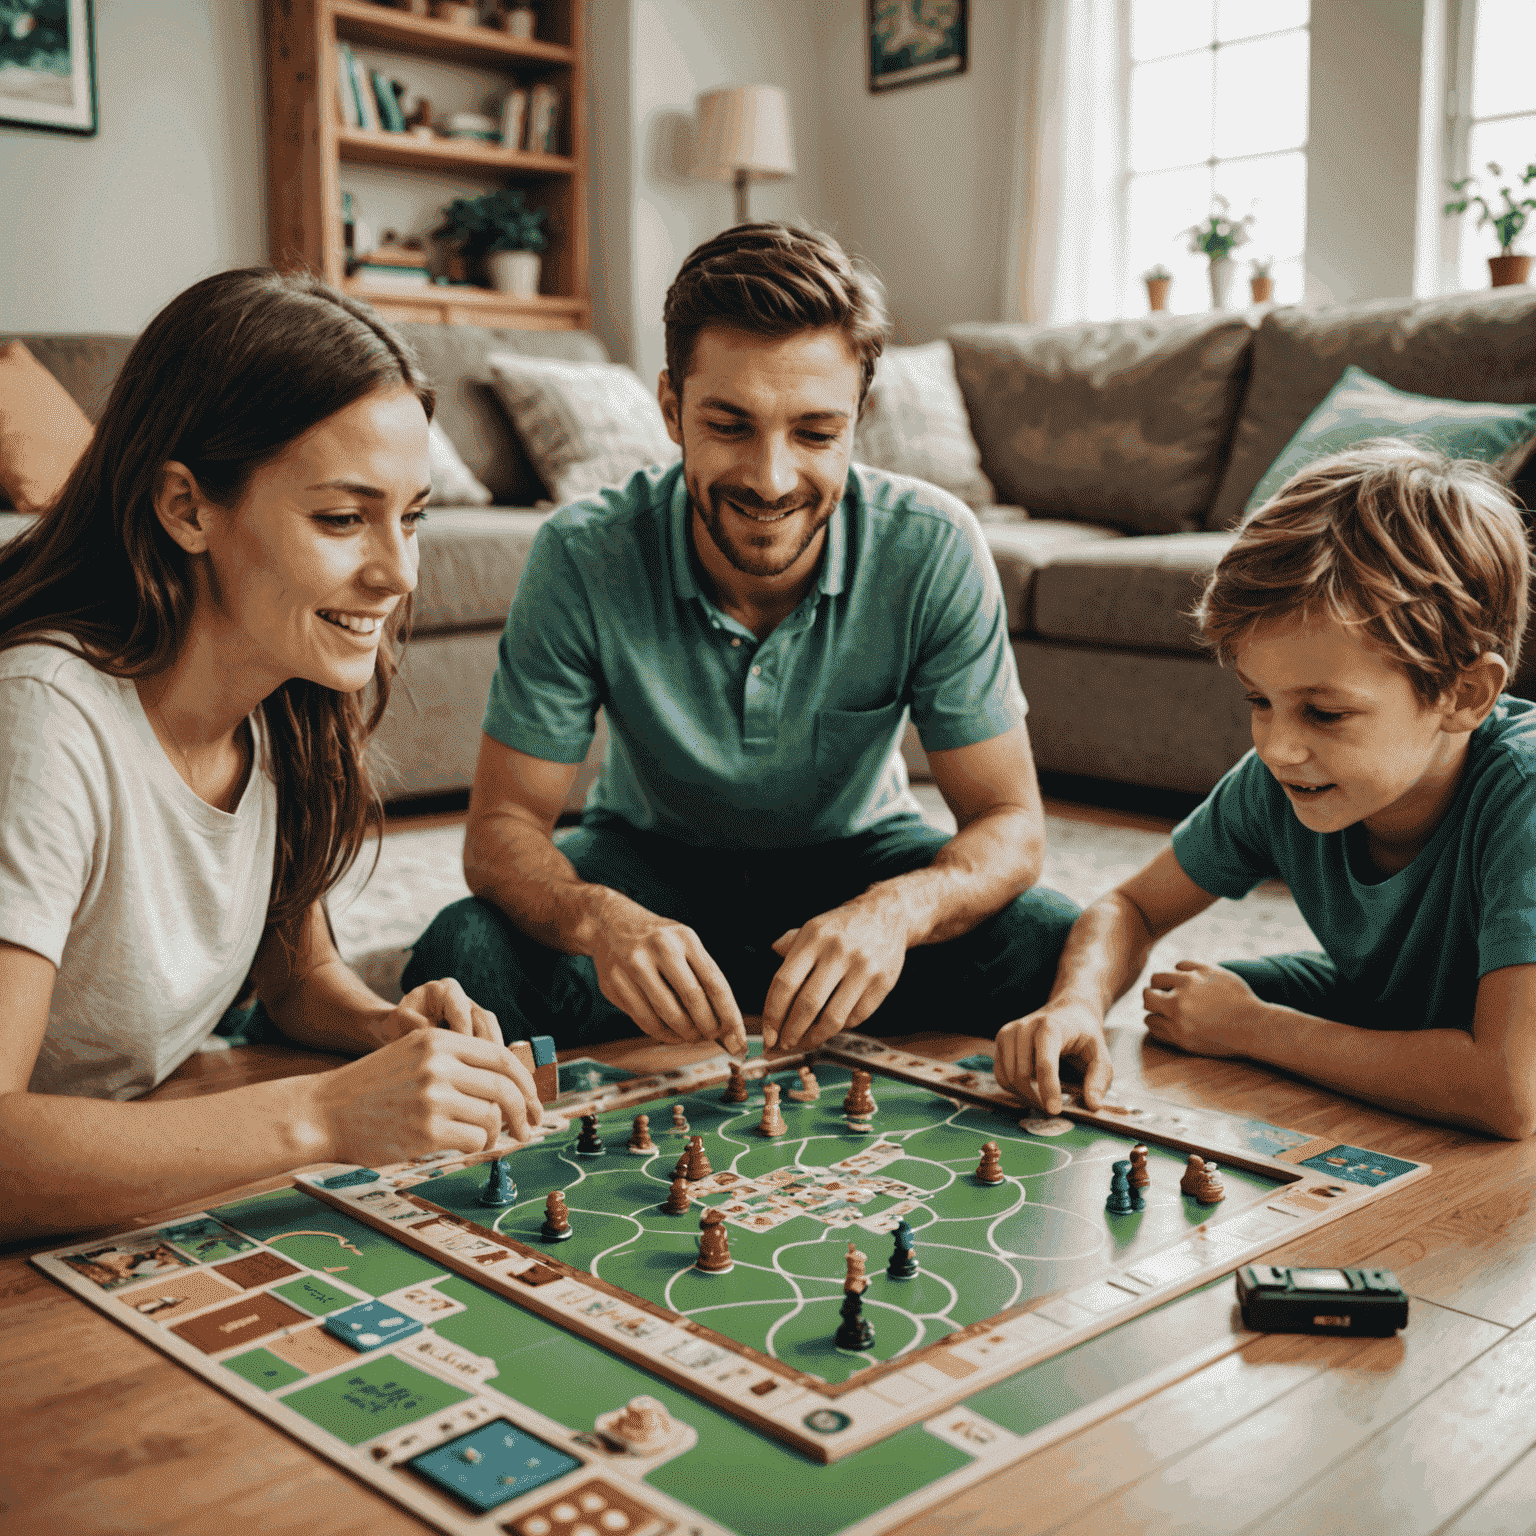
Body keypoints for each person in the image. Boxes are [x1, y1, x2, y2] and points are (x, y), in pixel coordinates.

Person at [406, 223, 1078, 1055]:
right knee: (462, 956)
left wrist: (893, 913)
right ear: (670, 410)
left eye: (815, 433)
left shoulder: (933, 544)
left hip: (857, 859)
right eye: (730, 425)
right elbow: (501, 828)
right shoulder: (582, 553)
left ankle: (791, 987)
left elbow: (1010, 821)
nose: (771, 478)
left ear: (858, 421)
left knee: (1050, 942)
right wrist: (603, 921)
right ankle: (730, 992)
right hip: (648, 865)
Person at [0, 269, 542, 1240]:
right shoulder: (41, 717)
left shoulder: (285, 697)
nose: (399, 573)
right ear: (186, 508)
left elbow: (293, 977)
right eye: (342, 518)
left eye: (411, 516)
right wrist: (327, 1114)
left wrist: (386, 1033)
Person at [995, 441, 1536, 1139]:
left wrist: (1259, 1030)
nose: (1276, 748)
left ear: (1465, 695)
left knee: (1231, 1013)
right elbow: (1131, 905)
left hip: (1511, 1055)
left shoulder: (1522, 796)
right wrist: (1074, 1004)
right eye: (1259, 700)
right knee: (1184, 1002)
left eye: (1325, 712)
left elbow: (1512, 1093)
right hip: (1413, 1005)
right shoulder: (1280, 780)